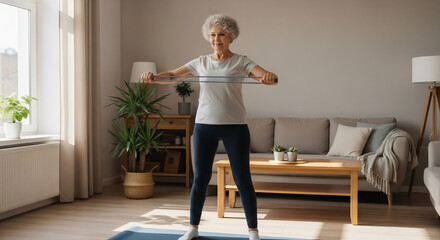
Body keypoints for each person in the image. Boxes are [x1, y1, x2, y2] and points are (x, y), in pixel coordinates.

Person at [142, 14, 278, 240]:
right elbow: (173, 75)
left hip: (235, 127)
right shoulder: (200, 62)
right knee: (200, 179)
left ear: (231, 37)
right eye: (213, 35)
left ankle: (253, 232)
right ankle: (193, 228)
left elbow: (262, 75)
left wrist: (268, 76)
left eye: (222, 34)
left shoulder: (241, 62)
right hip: (204, 126)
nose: (217, 39)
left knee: (243, 179)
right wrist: (154, 77)